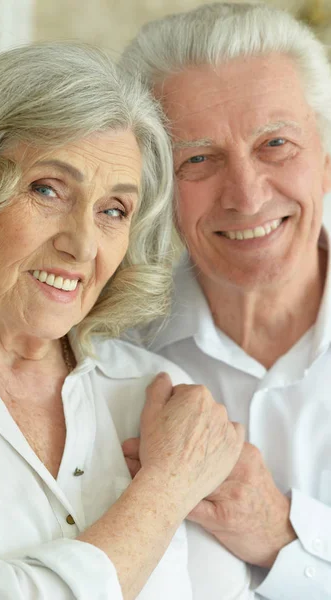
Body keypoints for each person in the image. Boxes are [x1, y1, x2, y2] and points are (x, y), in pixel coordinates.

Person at [0, 42, 253, 599]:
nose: (81, 245)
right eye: (48, 190)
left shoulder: (163, 399)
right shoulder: (175, 456)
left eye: (113, 211)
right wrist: (163, 491)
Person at [121, 3, 331, 599]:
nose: (245, 194)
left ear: (326, 162)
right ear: (157, 185)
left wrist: (280, 536)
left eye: (275, 144)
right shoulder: (108, 340)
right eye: (199, 159)